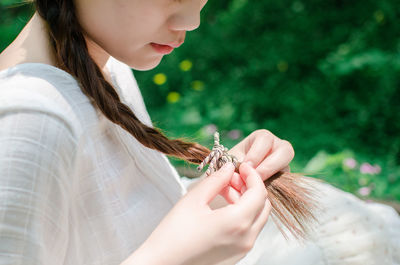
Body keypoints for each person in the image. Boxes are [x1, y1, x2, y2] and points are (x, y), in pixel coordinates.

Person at [0, 1, 399, 265]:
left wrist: (223, 186)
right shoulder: (30, 118)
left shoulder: (104, 65)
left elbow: (116, 227)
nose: (191, 21)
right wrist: (171, 258)